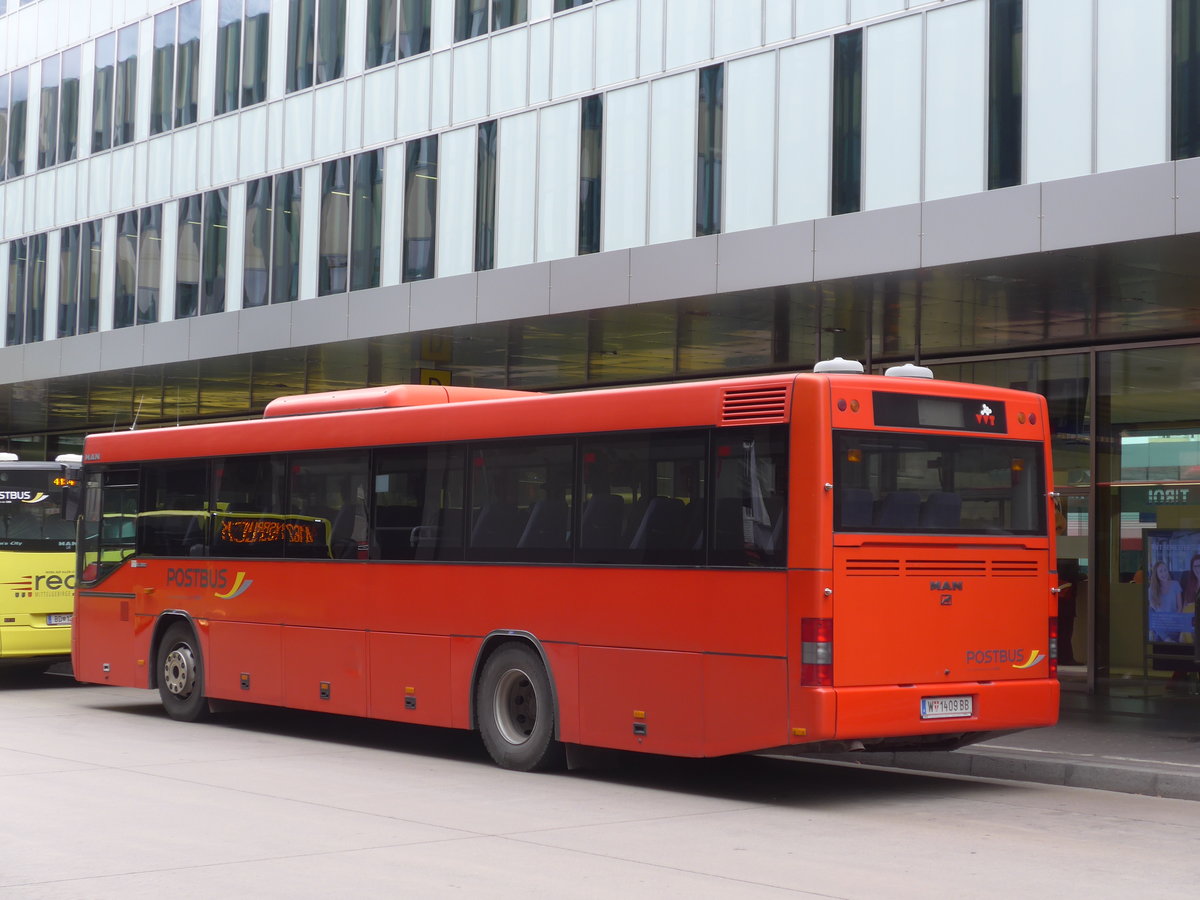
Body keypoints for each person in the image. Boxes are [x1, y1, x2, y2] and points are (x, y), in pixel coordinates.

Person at [1148, 559, 1184, 642]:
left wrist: (1174, 621)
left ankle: (1167, 638)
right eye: (1160, 571)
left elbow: (1180, 607)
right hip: (1160, 628)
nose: (1164, 573)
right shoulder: (1151, 590)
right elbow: (1154, 613)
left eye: (1165, 570)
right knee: (1150, 611)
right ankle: (1166, 638)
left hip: (1174, 624)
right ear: (1156, 574)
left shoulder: (1175, 584)